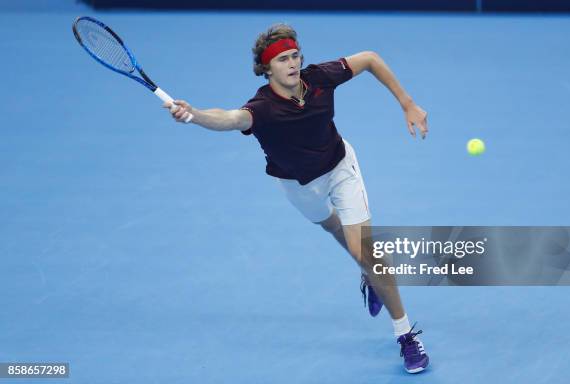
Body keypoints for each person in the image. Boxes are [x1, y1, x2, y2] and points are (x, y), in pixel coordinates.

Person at [164, 23, 429, 374]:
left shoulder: (319, 78)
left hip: (340, 167)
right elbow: (228, 119)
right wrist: (194, 115)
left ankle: (405, 334)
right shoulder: (261, 109)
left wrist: (407, 102)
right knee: (334, 228)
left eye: (295, 56)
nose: (291, 63)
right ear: (266, 67)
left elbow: (369, 59)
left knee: (366, 250)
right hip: (298, 186)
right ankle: (369, 275)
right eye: (282, 59)